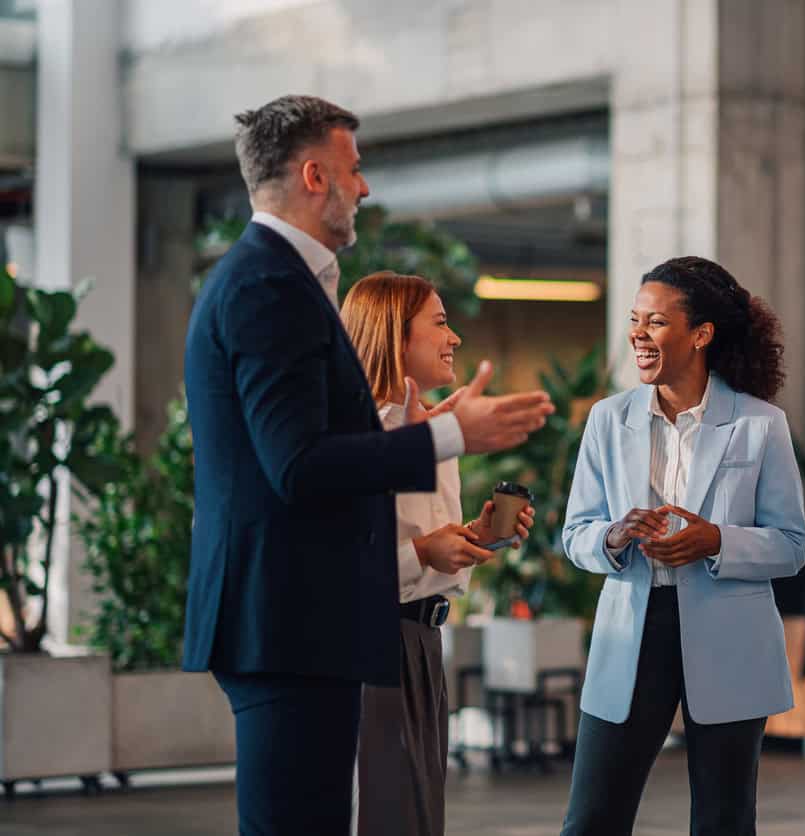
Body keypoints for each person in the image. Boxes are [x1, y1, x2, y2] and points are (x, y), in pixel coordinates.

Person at [182, 95, 554, 836]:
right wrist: (449, 437)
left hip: (293, 617)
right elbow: (298, 464)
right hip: (284, 619)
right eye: (355, 170)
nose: (366, 187)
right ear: (314, 175)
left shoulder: (280, 281)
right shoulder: (268, 286)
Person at [560, 256, 805, 836]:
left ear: (700, 335)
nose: (638, 335)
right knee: (592, 818)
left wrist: (716, 540)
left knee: (724, 821)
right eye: (634, 319)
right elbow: (576, 534)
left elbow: (792, 545)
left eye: (655, 322)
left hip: (730, 635)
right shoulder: (607, 420)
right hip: (632, 632)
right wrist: (615, 536)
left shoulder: (761, 424)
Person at [340, 271, 536, 836]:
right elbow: (346, 562)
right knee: (384, 814)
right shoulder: (364, 437)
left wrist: (472, 533)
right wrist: (425, 552)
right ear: (395, 335)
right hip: (375, 642)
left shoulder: (434, 433)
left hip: (424, 644)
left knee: (420, 816)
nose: (454, 339)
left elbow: (425, 546)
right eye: (441, 323)